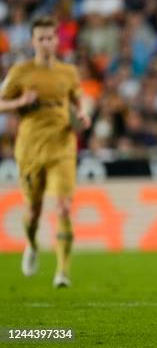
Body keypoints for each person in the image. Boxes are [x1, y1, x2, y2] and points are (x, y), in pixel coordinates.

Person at [1, 16, 91, 288]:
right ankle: (31, 244)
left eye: (50, 38)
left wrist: (83, 113)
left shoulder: (68, 72)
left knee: (64, 207)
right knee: (34, 210)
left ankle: (62, 272)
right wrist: (20, 101)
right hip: (30, 148)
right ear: (33, 41)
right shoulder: (21, 72)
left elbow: (79, 99)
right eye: (40, 38)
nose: (46, 43)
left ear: (57, 40)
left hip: (62, 146)